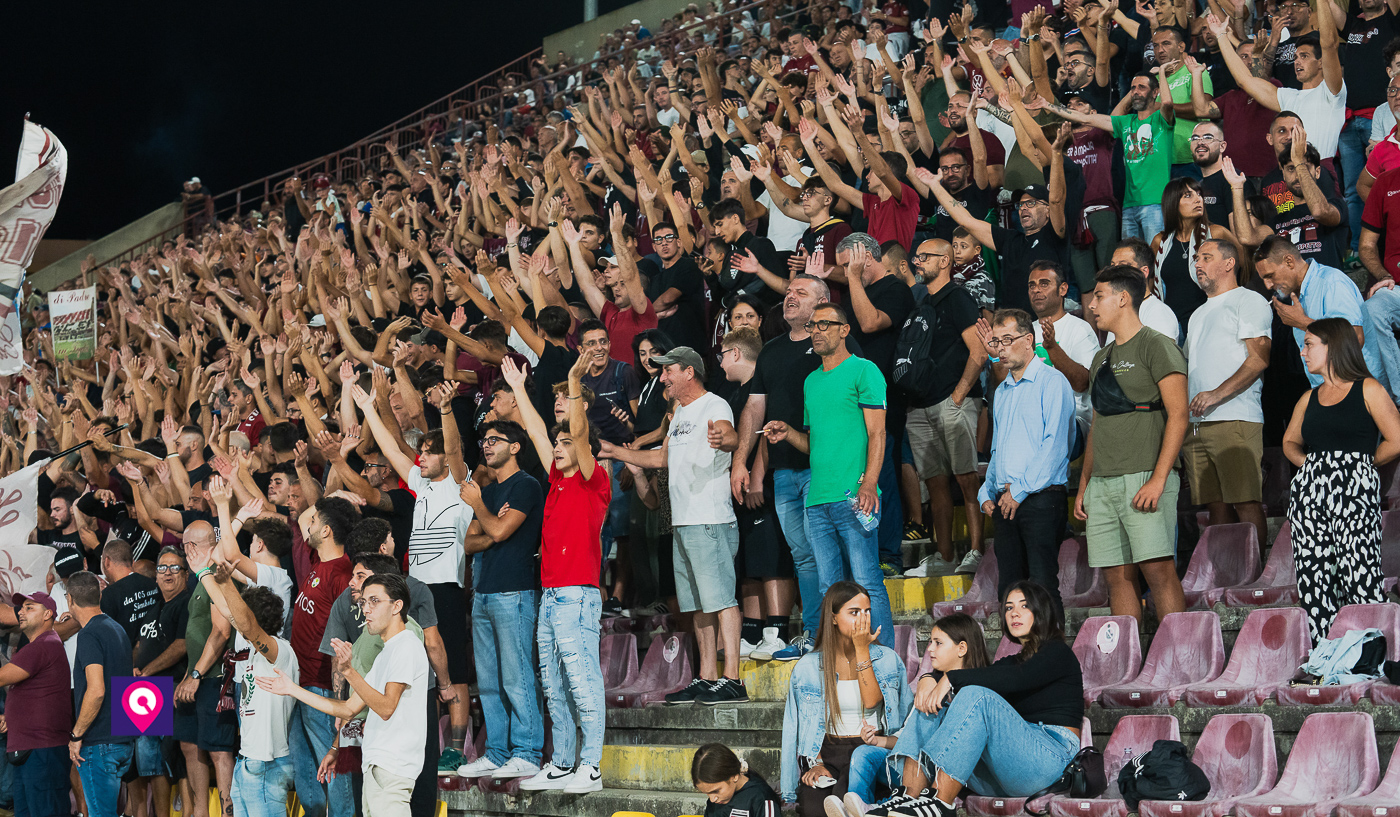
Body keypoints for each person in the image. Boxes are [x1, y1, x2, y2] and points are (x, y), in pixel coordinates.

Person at [602, 346, 747, 706]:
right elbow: (662, 458)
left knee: (722, 600)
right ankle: (707, 677)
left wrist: (724, 440)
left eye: (669, 371)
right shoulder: (680, 411)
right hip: (683, 523)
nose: (662, 377)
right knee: (697, 604)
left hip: (709, 519)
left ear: (689, 372)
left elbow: (730, 435)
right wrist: (615, 451)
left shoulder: (714, 405)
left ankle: (733, 679)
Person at [866, 582, 1083, 817]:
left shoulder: (1058, 652)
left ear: (1042, 611)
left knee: (976, 695)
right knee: (936, 702)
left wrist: (950, 678)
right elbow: (983, 674)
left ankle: (940, 804)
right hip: (1007, 771)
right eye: (1009, 608)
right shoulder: (1013, 662)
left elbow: (1018, 678)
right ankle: (907, 798)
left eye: (1024, 606)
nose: (1014, 613)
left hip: (1050, 761)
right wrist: (928, 678)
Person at [500, 355, 610, 794]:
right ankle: (563, 763)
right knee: (554, 685)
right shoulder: (559, 480)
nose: (558, 447)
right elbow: (535, 431)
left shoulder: (593, 480)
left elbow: (579, 435)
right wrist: (518, 389)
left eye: (566, 443)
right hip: (550, 595)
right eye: (557, 443)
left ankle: (591, 766)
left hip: (577, 595)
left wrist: (573, 382)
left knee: (583, 683)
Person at [351, 383, 471, 770]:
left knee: (453, 669)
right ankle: (423, 744)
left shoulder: (459, 483)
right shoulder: (420, 484)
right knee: (419, 670)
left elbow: (455, 449)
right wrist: (370, 408)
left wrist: (446, 410)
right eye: (422, 451)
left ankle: (456, 747)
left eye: (429, 452)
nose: (421, 457)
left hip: (446, 588)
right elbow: (390, 448)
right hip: (413, 588)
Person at [763, 302, 894, 648]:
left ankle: (884, 659)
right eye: (812, 325)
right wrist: (788, 433)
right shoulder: (811, 381)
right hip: (817, 499)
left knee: (866, 580)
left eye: (824, 324)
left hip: (854, 495)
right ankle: (840, 658)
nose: (816, 331)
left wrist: (869, 483)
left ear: (844, 330)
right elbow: (815, 445)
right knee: (829, 588)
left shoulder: (864, 370)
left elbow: (878, 433)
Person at [258, 573, 429, 817]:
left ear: (397, 606)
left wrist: (348, 671)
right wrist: (292, 689)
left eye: (374, 601)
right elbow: (348, 708)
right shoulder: (386, 653)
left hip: (392, 768)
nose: (365, 609)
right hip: (378, 768)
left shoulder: (406, 645)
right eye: (364, 602)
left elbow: (386, 708)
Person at [1076, 265, 1189, 623]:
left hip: (1144, 475)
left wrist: (1158, 479)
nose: (1092, 305)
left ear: (1123, 298)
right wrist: (1084, 485)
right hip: (1103, 481)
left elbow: (1179, 415)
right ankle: (1129, 654)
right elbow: (1097, 424)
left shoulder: (1157, 345)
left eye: (1099, 296)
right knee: (1116, 577)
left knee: (1158, 570)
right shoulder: (1101, 357)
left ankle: (1178, 651)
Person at [732, 275, 835, 661]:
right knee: (803, 556)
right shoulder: (771, 350)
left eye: (800, 293)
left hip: (823, 468)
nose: (790, 296)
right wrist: (742, 463)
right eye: (789, 292)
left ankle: (837, 631)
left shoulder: (832, 345)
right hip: (784, 471)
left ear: (822, 303)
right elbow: (754, 408)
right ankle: (812, 631)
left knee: (826, 553)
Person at [1282, 318, 1400, 642]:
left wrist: (1359, 464)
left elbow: (1396, 439)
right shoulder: (1309, 397)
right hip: (1309, 496)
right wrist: (1312, 465)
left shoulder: (1368, 389)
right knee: (1314, 581)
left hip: (1354, 491)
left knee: (1360, 576)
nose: (1303, 352)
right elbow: (1289, 441)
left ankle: (1368, 656)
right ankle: (1326, 657)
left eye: (1309, 344)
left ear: (1332, 346)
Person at [454, 420, 546, 779]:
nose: (487, 445)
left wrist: (482, 511)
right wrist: (491, 525)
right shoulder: (490, 493)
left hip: (515, 592)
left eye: (495, 440)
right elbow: (469, 543)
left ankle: (527, 752)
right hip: (483, 593)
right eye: (484, 440)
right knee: (489, 681)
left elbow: (498, 529)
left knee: (517, 676)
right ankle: (496, 752)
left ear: (515, 446)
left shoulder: (526, 486)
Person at [836, 613, 991, 817]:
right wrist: (878, 740)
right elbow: (909, 740)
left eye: (938, 643)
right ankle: (861, 809)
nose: (930, 649)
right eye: (930, 642)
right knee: (864, 753)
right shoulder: (931, 686)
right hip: (917, 765)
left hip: (950, 771)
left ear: (962, 648)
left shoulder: (981, 690)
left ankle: (890, 805)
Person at [976, 309, 1076, 624]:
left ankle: (1053, 650)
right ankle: (1022, 650)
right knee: (1010, 589)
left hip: (1041, 497)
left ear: (1029, 339)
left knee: (1042, 584)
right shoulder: (1002, 392)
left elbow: (1055, 447)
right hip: (1006, 499)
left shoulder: (1052, 382)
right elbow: (998, 449)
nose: (1001, 348)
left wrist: (1018, 491)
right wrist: (986, 491)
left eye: (1008, 340)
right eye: (996, 342)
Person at [779, 582, 912, 815]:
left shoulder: (887, 659)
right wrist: (816, 763)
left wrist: (862, 649)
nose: (863, 619)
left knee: (845, 798)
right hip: (828, 751)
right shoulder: (808, 667)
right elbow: (795, 727)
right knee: (813, 807)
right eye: (854, 612)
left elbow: (872, 702)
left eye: (867, 611)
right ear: (833, 618)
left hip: (869, 749)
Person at [903, 239, 987, 576]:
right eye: (917, 256)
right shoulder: (921, 302)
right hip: (920, 405)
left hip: (953, 401)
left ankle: (977, 551)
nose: (917, 261)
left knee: (966, 478)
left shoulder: (958, 297)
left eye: (924, 257)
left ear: (945, 261)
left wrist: (958, 396)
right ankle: (945, 555)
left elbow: (979, 351)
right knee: (935, 483)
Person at [1183, 239, 1272, 550]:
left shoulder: (1249, 300)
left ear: (1229, 263)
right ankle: (1227, 571)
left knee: (1246, 502)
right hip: (1197, 424)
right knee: (1216, 507)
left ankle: (1256, 572)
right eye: (1196, 258)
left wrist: (1215, 395)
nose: (1198, 264)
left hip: (1235, 417)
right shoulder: (1197, 314)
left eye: (1206, 257)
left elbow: (1259, 359)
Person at [193, 557, 297, 817]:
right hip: (247, 762)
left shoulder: (279, 651)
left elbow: (247, 624)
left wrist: (227, 583)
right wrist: (203, 572)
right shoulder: (248, 647)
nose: (235, 618)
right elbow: (227, 609)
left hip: (267, 766)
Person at [176, 523, 237, 817]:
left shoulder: (217, 574)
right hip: (197, 674)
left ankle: (226, 813)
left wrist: (196, 675)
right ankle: (199, 812)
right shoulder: (201, 577)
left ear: (190, 547)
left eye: (183, 546)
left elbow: (221, 631)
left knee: (218, 750)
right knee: (190, 745)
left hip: (215, 678)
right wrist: (188, 676)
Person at [66, 570, 135, 817]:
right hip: (123, 741)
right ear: (99, 595)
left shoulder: (88, 634)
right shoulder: (117, 628)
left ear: (70, 599)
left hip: (99, 744)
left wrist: (76, 735)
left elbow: (96, 691)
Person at [0, 592, 72, 817]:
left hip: (42, 750)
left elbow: (1, 677)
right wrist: (10, 716)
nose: (21, 612)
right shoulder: (40, 646)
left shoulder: (43, 644)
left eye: (29, 607)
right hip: (31, 749)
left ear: (48, 614)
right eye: (21, 608)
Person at [1150, 177, 1239, 334]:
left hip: (1210, 324)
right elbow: (1150, 284)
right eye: (1188, 195)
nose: (1198, 199)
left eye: (1199, 194)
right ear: (1173, 203)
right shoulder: (1160, 242)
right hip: (1172, 327)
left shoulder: (1217, 233)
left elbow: (1244, 267)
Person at [99, 539, 160, 651]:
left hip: (127, 657)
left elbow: (107, 638)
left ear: (107, 561)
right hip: (156, 651)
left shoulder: (109, 595)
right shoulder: (153, 584)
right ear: (132, 561)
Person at [692, 743, 783, 817]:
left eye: (716, 791)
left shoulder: (761, 797)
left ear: (734, 776)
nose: (712, 799)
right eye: (707, 794)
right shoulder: (716, 802)